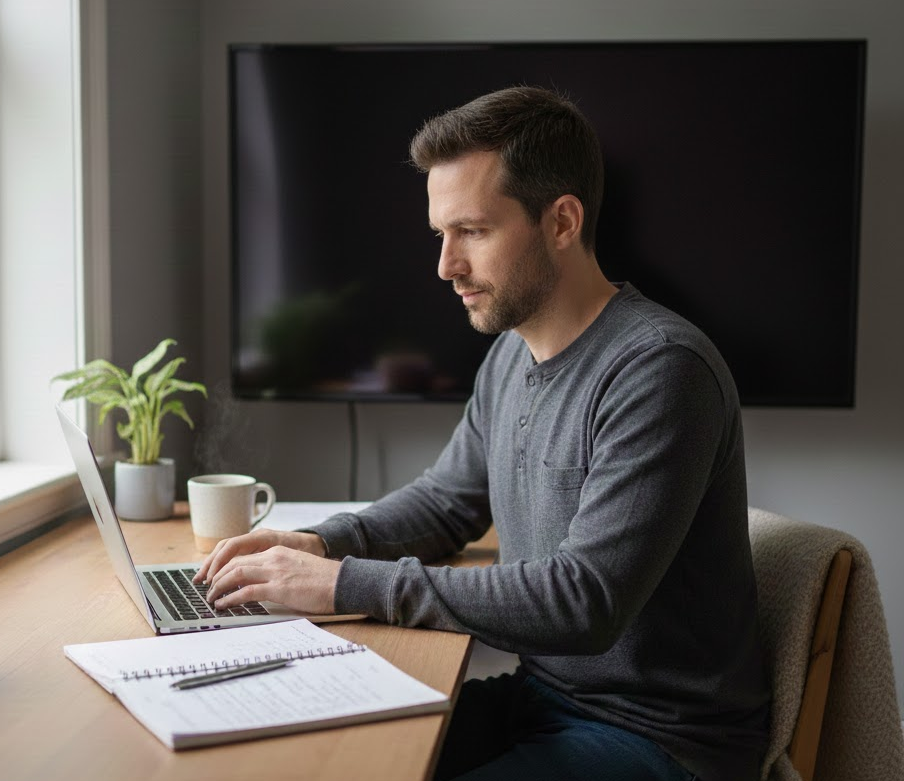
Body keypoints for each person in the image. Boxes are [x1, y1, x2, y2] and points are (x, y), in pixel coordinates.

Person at [194, 86, 770, 781]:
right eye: (441, 234)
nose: (446, 265)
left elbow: (582, 601)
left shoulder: (660, 371)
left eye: (472, 231)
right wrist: (319, 543)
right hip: (546, 696)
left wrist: (342, 583)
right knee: (311, 760)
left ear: (561, 221)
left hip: (659, 738)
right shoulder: (511, 354)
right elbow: (446, 503)